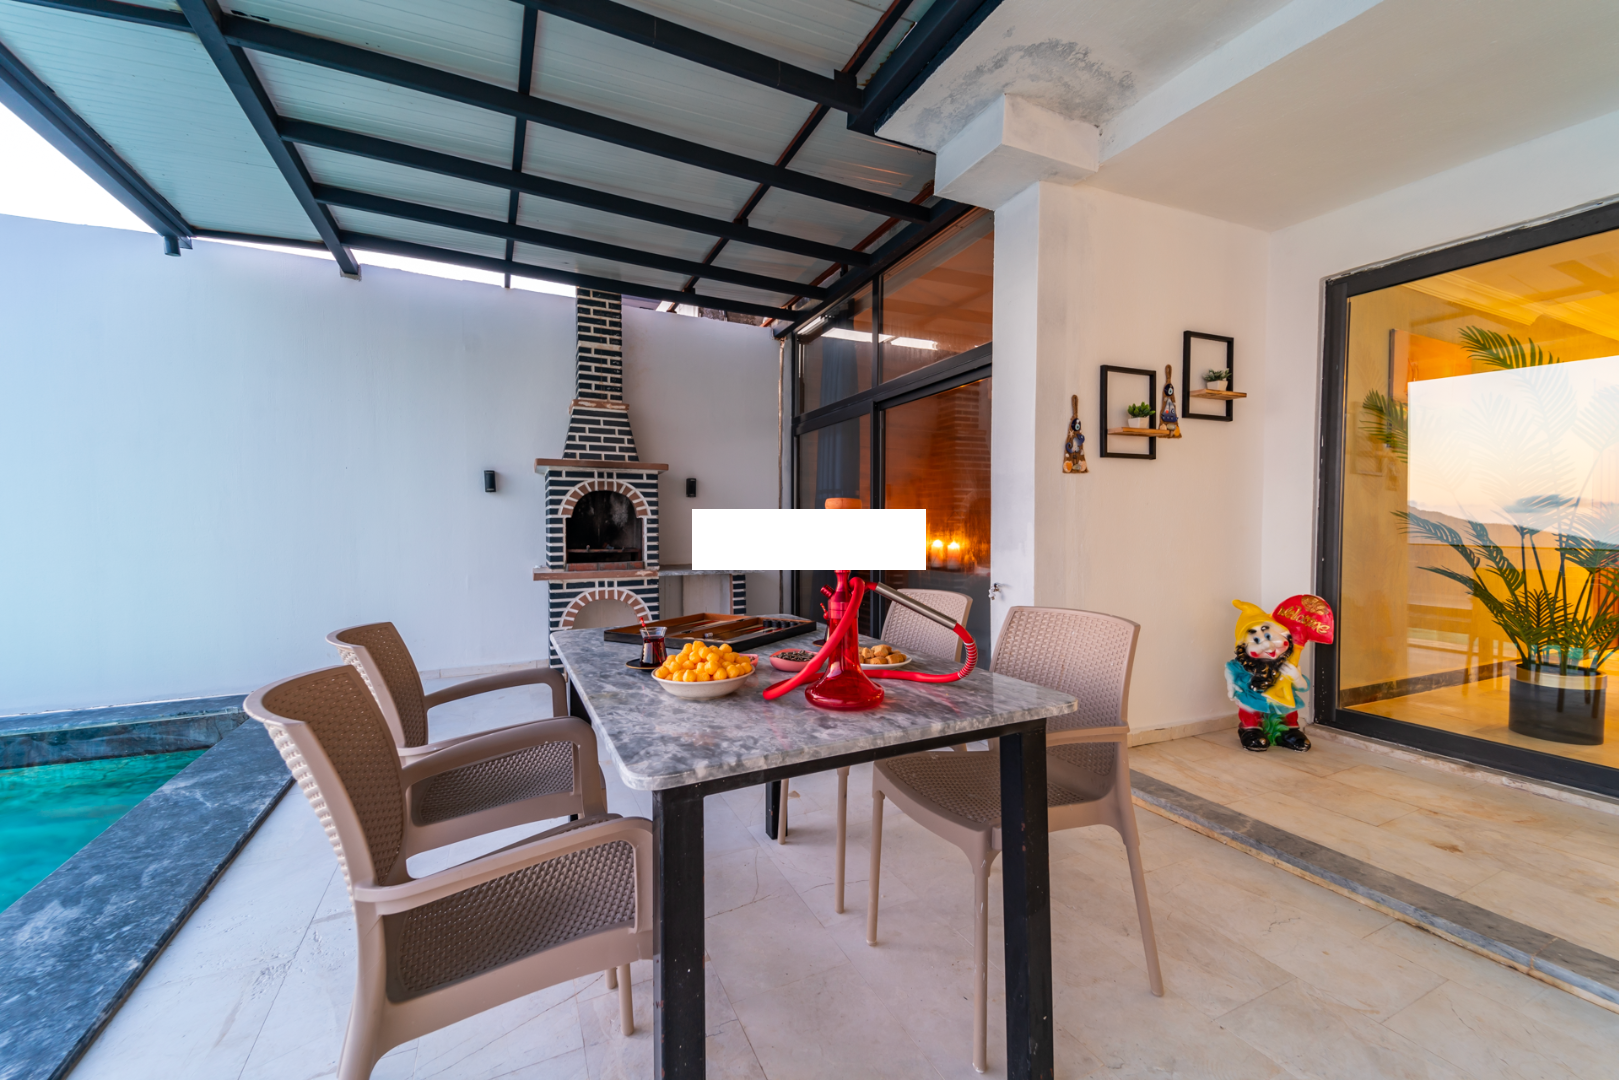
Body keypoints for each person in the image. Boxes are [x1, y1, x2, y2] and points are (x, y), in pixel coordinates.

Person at [1225, 600, 1310, 751]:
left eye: (1269, 636)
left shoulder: (1288, 663)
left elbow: (1303, 687)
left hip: (1283, 699)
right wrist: (1231, 685)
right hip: (1253, 696)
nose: (1267, 645)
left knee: (1288, 708)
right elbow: (1230, 669)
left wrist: (1297, 677)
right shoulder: (1245, 665)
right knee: (1249, 707)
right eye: (1256, 641)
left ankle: (1288, 731)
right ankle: (1251, 729)